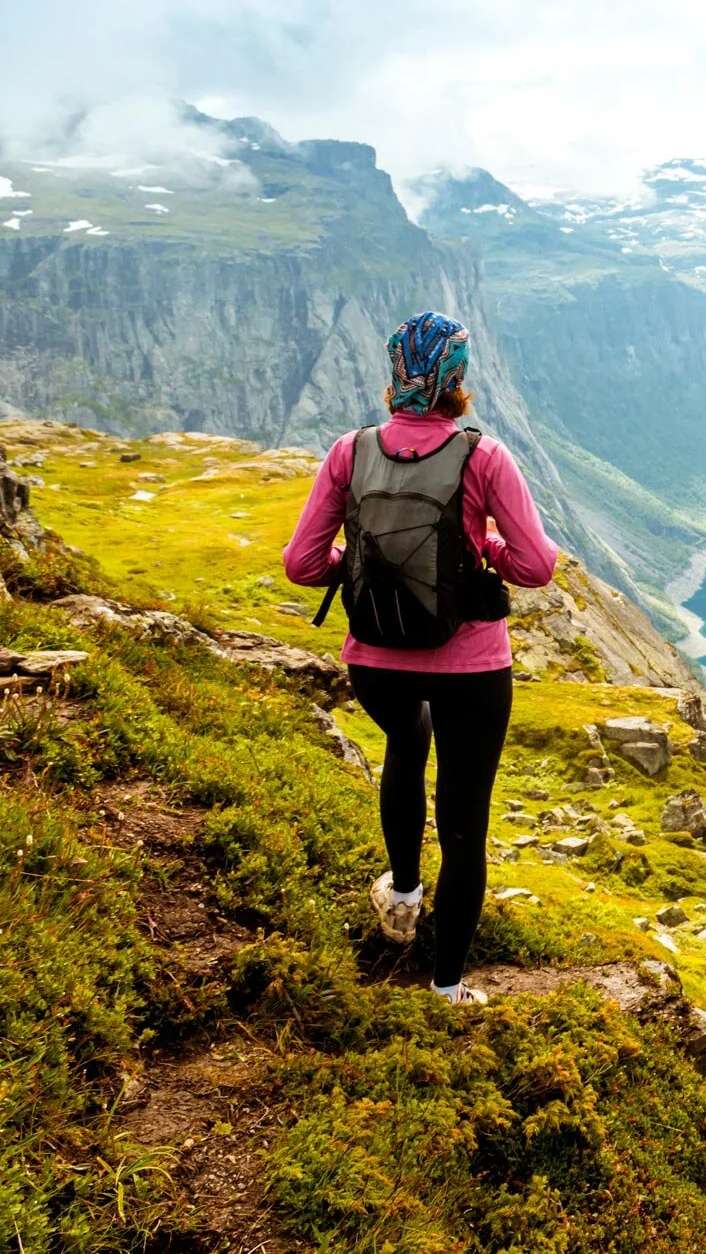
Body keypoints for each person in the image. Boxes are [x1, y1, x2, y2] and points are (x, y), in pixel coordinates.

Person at [282, 310, 559, 1005]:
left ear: (395, 373)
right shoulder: (482, 456)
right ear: (457, 380)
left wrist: (363, 568)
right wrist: (482, 549)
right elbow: (536, 566)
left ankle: (403, 894)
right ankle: (446, 987)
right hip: (471, 668)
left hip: (375, 659)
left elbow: (302, 563)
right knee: (464, 822)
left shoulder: (349, 451)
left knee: (406, 743)